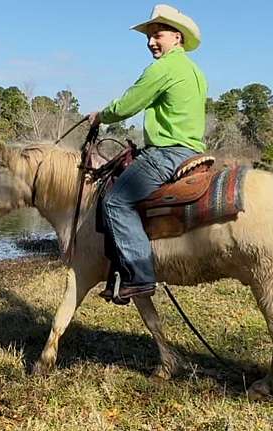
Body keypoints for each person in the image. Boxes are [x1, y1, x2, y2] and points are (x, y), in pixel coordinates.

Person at [87, 4, 207, 304]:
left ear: (177, 38)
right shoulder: (194, 70)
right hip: (191, 149)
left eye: (158, 35)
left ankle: (140, 275)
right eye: (149, 36)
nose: (151, 42)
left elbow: (129, 103)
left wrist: (101, 116)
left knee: (116, 201)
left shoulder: (165, 67)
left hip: (169, 152)